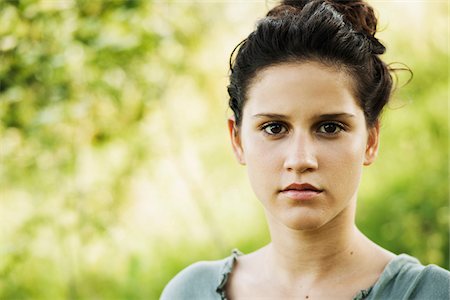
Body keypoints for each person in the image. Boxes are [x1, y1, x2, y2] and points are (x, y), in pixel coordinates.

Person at [161, 0, 450, 299]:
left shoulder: (434, 293)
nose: (300, 160)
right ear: (237, 140)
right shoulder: (191, 292)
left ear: (370, 141)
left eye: (329, 127)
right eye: (274, 128)